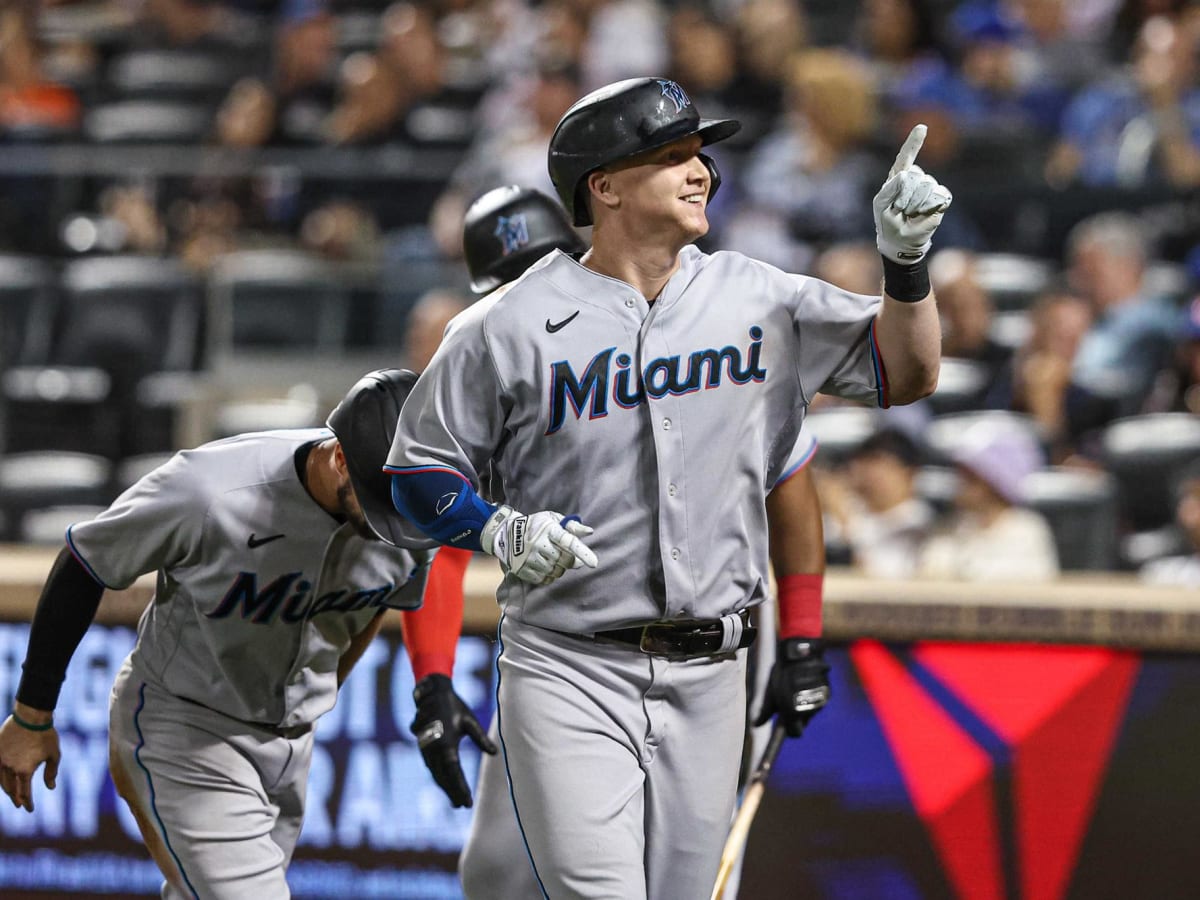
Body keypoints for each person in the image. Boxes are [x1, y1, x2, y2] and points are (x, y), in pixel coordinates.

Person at [385, 77, 949, 899]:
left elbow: (908, 371)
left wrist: (905, 269)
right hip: (570, 665)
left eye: (700, 155)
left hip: (715, 670)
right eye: (671, 156)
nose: (701, 173)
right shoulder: (501, 326)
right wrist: (494, 529)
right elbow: (414, 474)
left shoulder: (759, 296)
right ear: (603, 187)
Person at [446, 185, 828, 900]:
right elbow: (434, 523)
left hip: (715, 625)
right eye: (509, 280)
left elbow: (793, 484)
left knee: (686, 875)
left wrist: (803, 636)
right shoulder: (501, 348)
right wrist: (433, 675)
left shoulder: (692, 325)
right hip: (567, 645)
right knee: (498, 872)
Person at [0, 369, 490, 898]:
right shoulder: (211, 489)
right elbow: (85, 560)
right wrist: (32, 714)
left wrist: (316, 703)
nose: (387, 527)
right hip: (184, 729)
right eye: (379, 507)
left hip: (290, 743)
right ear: (341, 456)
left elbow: (376, 607)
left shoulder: (415, 510)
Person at [917, 419, 1061, 580]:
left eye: (970, 476)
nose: (960, 482)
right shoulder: (952, 527)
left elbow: (1032, 584)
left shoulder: (1028, 530)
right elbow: (928, 572)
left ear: (994, 482)